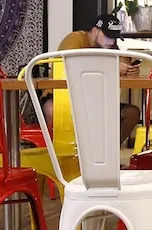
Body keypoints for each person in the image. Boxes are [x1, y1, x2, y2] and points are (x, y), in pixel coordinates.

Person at [42, 13, 141, 145]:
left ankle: (107, 151)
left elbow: (123, 61)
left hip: (94, 101)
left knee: (131, 113)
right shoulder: (75, 39)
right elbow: (69, 65)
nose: (112, 42)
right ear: (95, 31)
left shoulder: (109, 47)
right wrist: (111, 67)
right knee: (52, 109)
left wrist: (130, 70)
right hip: (63, 96)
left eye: (115, 38)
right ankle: (59, 151)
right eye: (108, 36)